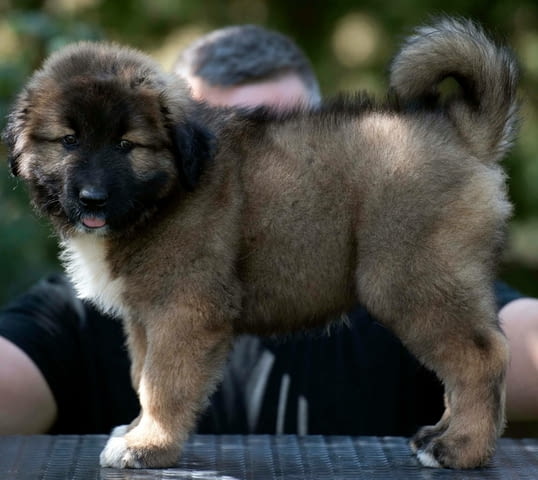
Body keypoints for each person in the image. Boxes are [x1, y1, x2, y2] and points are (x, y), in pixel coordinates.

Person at [0, 24, 537, 437]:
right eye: (226, 144)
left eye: (280, 146)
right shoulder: (77, 309)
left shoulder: (394, 241)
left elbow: (516, 336)